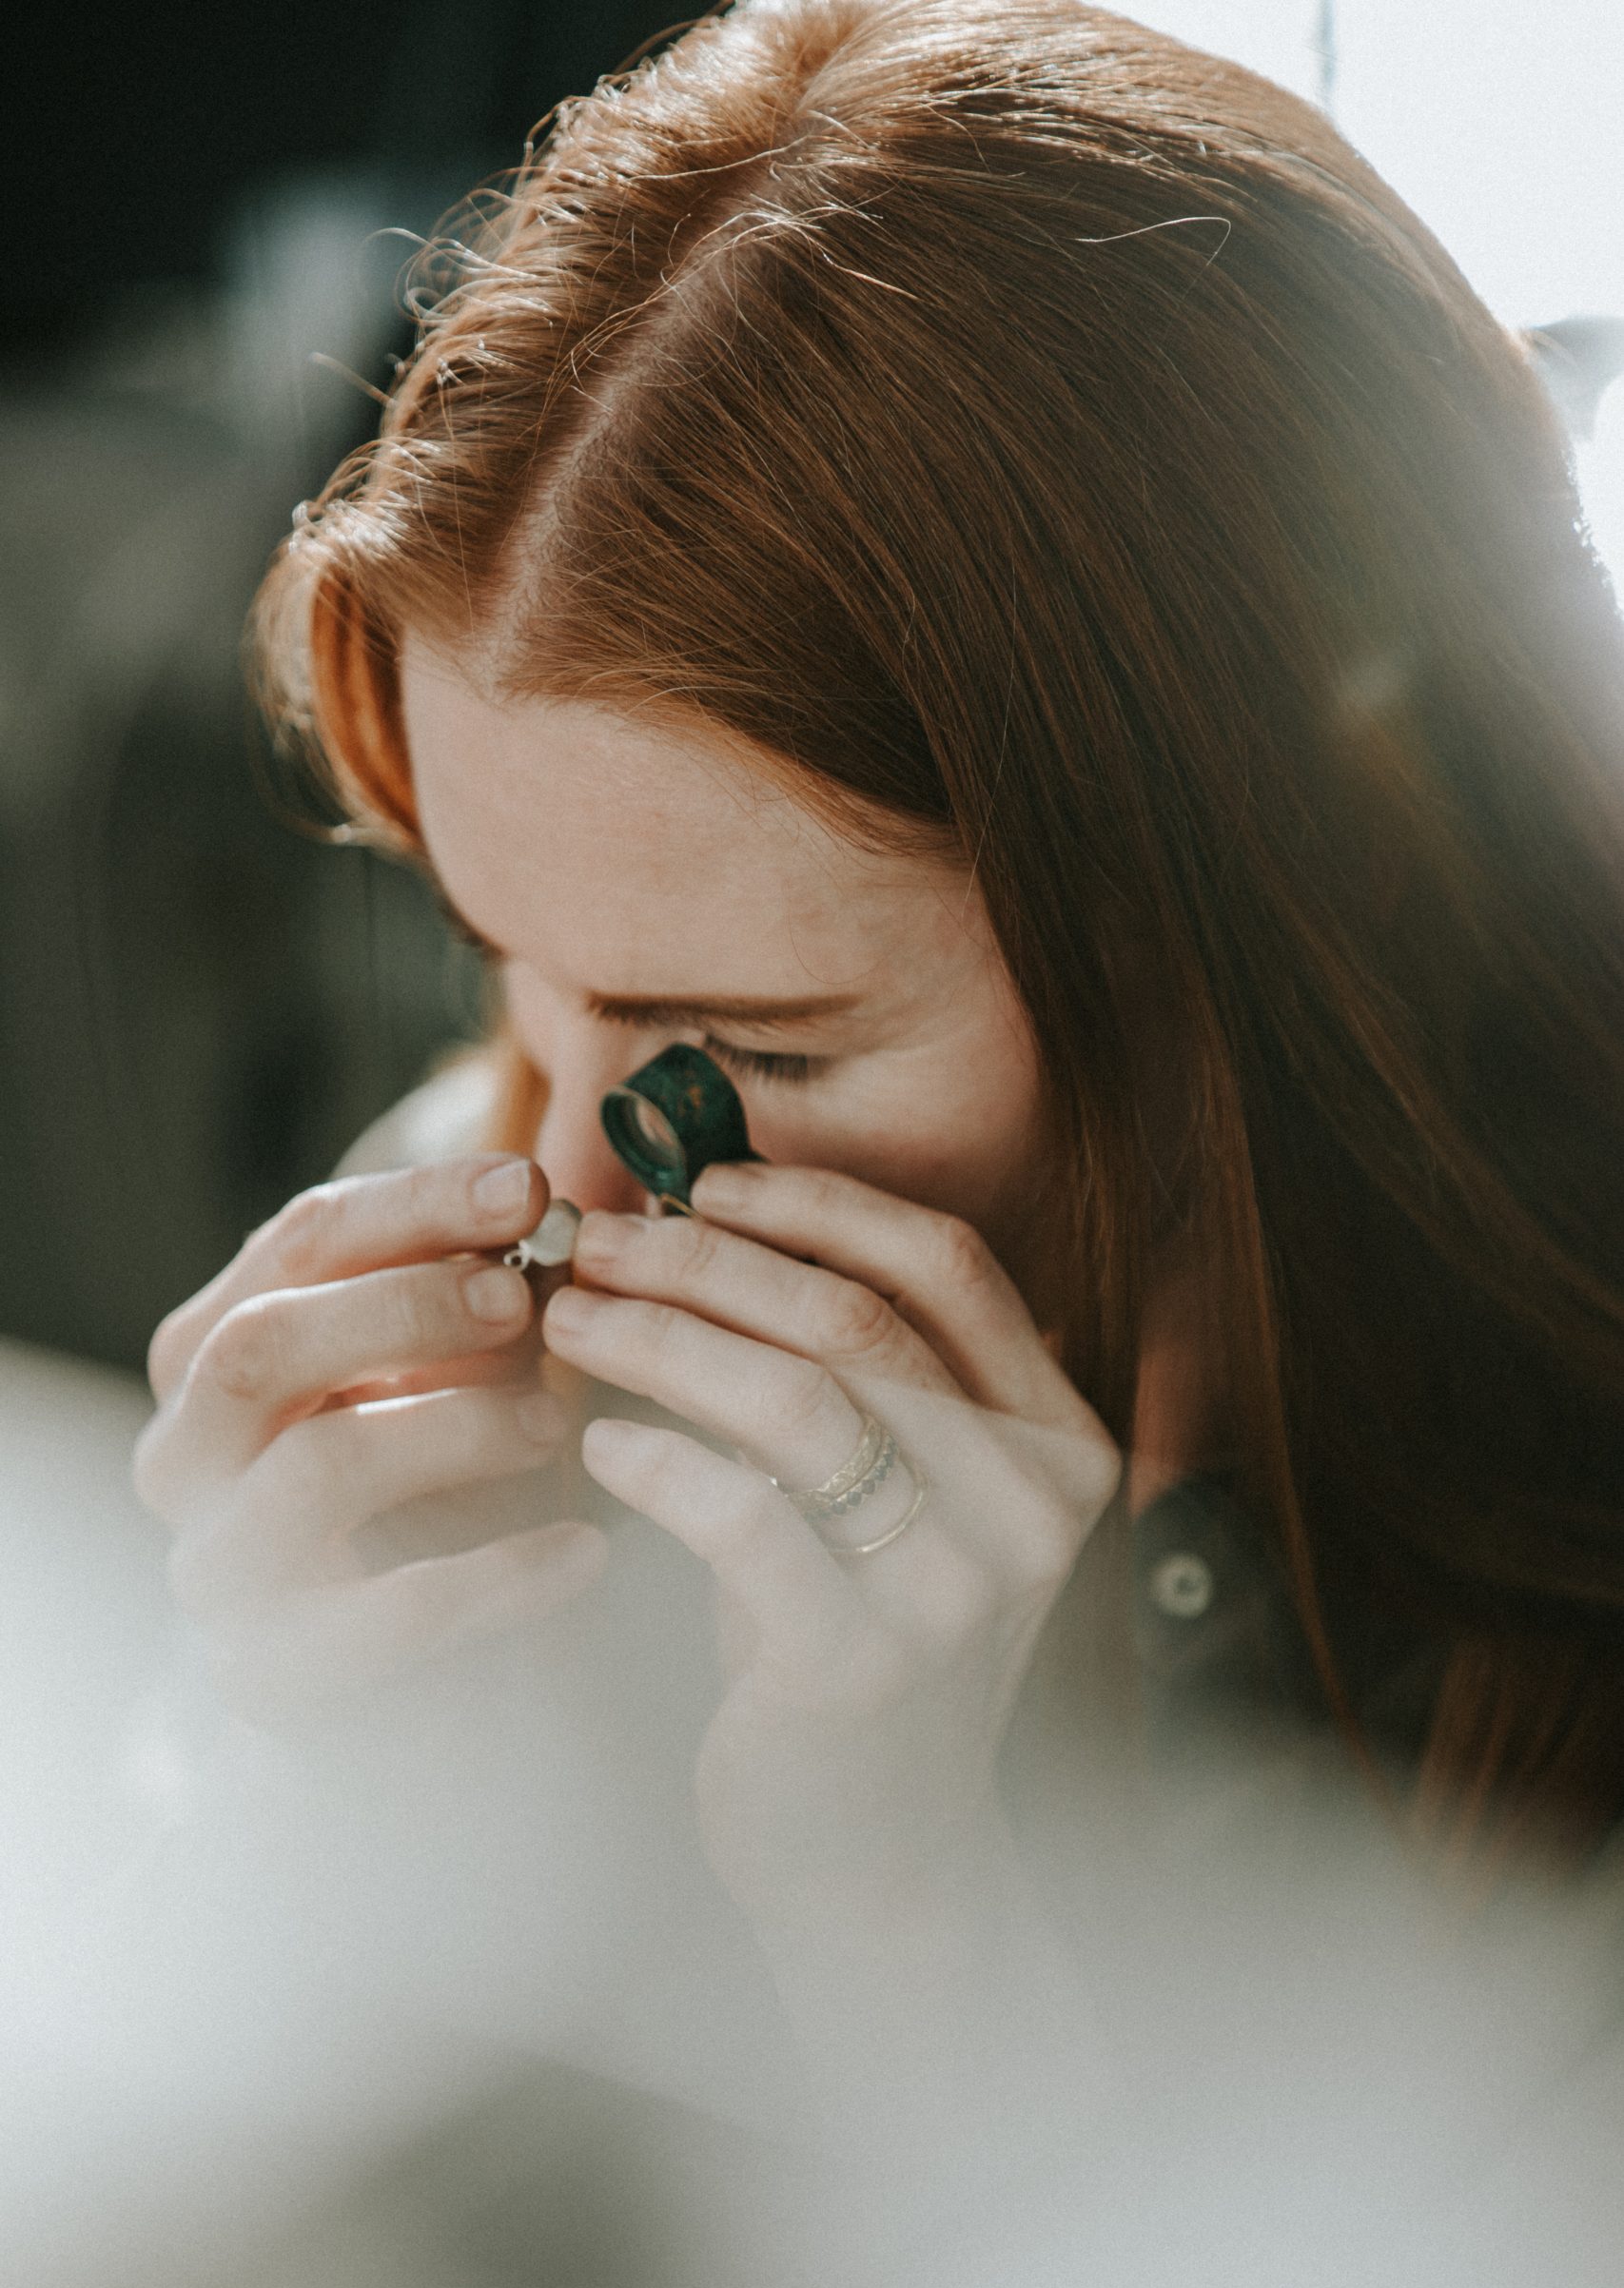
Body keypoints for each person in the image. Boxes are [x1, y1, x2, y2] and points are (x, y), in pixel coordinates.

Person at [133, 0, 1624, 2082]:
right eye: (507, 953)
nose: (553, 1170)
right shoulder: (506, 1193)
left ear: (1285, 930)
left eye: (757, 1045)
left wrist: (903, 1922)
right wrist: (305, 1780)